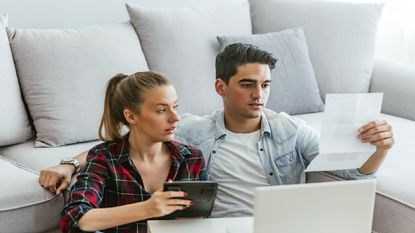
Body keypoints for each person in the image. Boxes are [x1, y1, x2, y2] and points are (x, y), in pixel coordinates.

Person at [40, 43, 394, 218]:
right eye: (247, 84)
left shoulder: (292, 131)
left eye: (266, 84)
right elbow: (123, 146)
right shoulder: (193, 131)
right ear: (220, 87)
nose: (259, 95)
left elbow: (350, 173)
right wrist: (68, 164)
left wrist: (379, 148)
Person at [59, 71, 207, 233]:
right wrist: (149, 208)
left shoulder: (192, 159)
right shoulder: (104, 157)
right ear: (131, 116)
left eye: (175, 107)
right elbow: (75, 218)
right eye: (161, 110)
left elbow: (201, 221)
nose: (175, 117)